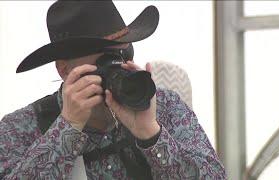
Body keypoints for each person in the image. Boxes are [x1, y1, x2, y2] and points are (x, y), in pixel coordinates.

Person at [0, 1, 226, 179]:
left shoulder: (165, 106)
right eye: (106, 60)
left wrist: (151, 136)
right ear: (64, 69)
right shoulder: (22, 127)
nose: (117, 66)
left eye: (123, 55)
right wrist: (67, 130)